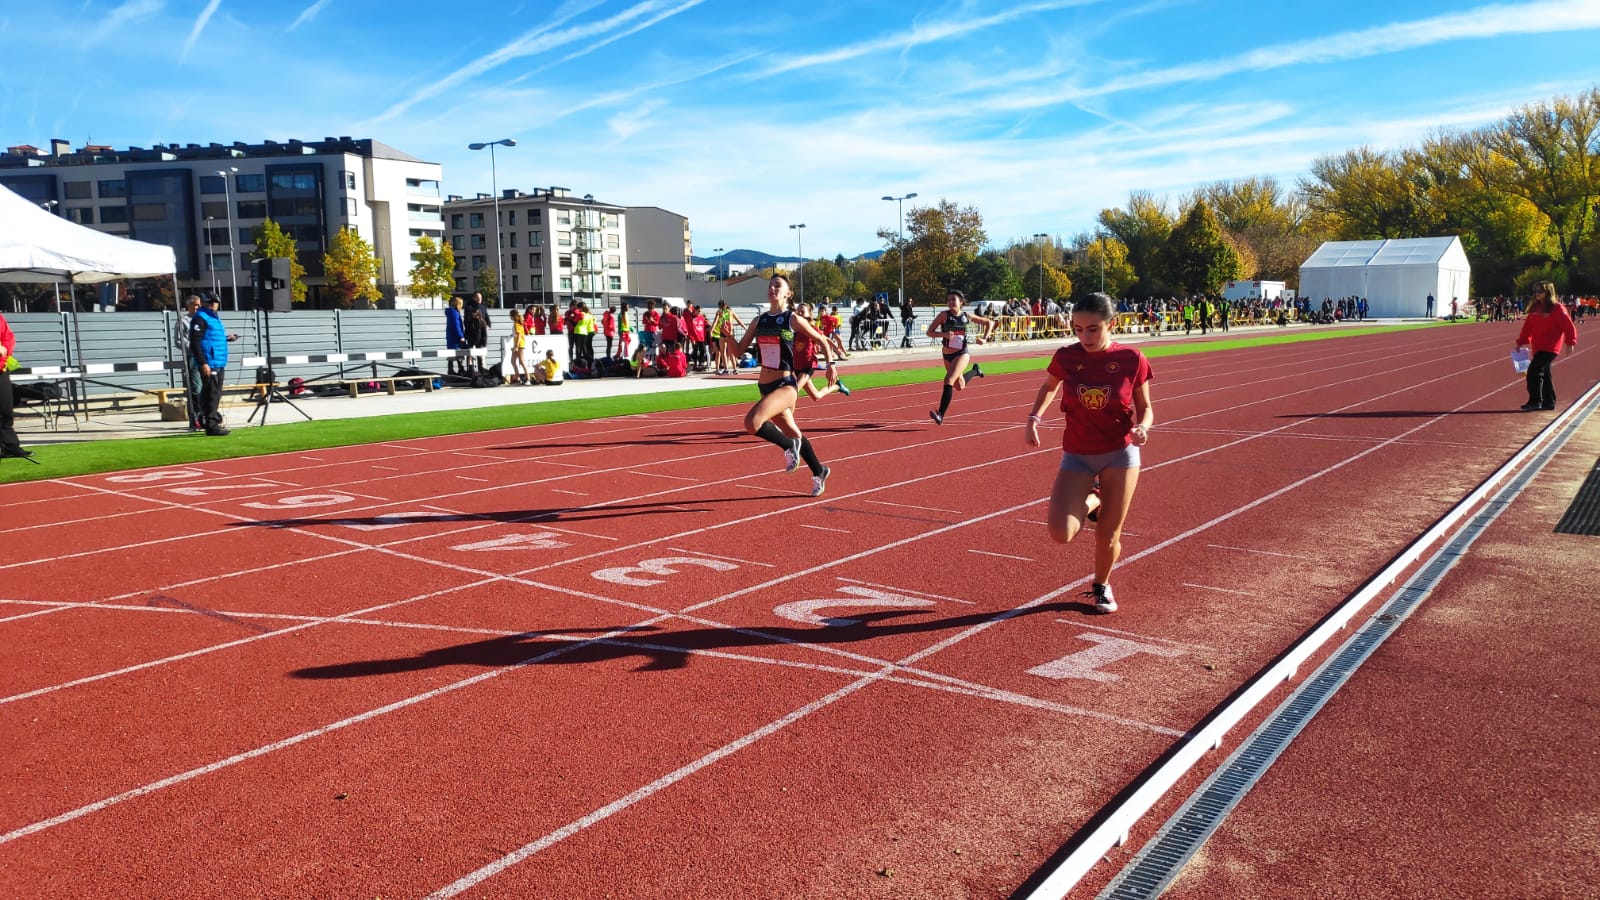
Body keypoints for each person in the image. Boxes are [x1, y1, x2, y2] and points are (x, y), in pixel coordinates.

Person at [1023, 292, 1154, 614]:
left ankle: (1101, 586)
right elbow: (1049, 387)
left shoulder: (1132, 359)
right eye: (1078, 329)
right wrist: (1033, 418)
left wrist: (1144, 428)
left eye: (1093, 329)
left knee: (1108, 533)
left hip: (1120, 453)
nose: (1085, 336)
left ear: (1112, 324)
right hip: (1078, 453)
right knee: (1061, 532)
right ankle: (1094, 499)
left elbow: (1146, 407)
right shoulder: (1066, 357)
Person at [734, 274, 833, 496]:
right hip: (765, 386)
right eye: (770, 285)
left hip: (786, 386)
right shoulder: (759, 321)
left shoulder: (792, 319)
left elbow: (822, 340)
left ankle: (789, 446)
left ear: (788, 293)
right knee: (794, 433)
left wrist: (831, 364)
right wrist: (727, 336)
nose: (772, 288)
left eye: (777, 285)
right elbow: (738, 351)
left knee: (752, 422)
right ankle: (820, 471)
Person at [924, 289, 995, 425]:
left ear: (961, 302)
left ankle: (940, 414)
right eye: (949, 299)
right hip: (947, 355)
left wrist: (985, 338)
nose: (950, 302)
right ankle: (975, 370)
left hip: (962, 354)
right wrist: (943, 335)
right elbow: (929, 332)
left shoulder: (966, 316)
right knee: (959, 386)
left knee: (948, 380)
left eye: (953, 299)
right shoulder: (943, 316)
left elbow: (989, 323)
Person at [1516, 280, 1578, 412]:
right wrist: (1521, 342)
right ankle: (1549, 401)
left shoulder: (1557, 308)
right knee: (1545, 373)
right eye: (1536, 291)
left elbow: (1568, 325)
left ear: (1548, 292)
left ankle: (1535, 401)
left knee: (1533, 372)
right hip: (1538, 346)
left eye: (1540, 291)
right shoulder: (1535, 308)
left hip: (1551, 347)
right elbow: (1527, 328)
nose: (1537, 293)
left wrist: (1571, 342)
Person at [189, 296, 238, 436]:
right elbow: (195, 342)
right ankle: (211, 425)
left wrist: (226, 338)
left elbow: (210, 338)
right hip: (210, 362)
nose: (213, 304)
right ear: (203, 303)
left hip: (218, 360)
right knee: (212, 394)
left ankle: (207, 419)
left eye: (215, 302)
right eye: (209, 302)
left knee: (211, 393)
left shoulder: (214, 317)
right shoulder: (201, 317)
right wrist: (203, 362)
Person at [0, 310, 35, 461]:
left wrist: (6, 349)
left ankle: (10, 446)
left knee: (5, 409)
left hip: (1, 368)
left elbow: (8, 336)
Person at [175, 295, 204, 430]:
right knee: (196, 388)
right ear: (189, 306)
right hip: (192, 357)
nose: (198, 307)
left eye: (199, 305)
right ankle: (196, 418)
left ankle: (207, 416)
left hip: (206, 357)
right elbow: (178, 341)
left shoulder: (203, 319)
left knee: (207, 387)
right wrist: (194, 346)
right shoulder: (183, 321)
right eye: (195, 305)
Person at [445, 296, 467, 375]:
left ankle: (451, 369)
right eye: (461, 304)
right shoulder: (454, 313)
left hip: (451, 336)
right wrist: (461, 336)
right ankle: (460, 369)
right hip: (455, 337)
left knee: (452, 353)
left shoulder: (451, 312)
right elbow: (456, 326)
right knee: (458, 352)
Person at [507, 310, 530, 384]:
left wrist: (516, 346)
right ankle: (517, 377)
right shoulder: (517, 323)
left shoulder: (517, 324)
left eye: (510, 316)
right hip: (517, 344)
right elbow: (516, 335)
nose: (509, 317)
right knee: (513, 361)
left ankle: (528, 378)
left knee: (522, 361)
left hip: (519, 345)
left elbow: (519, 335)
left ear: (513, 316)